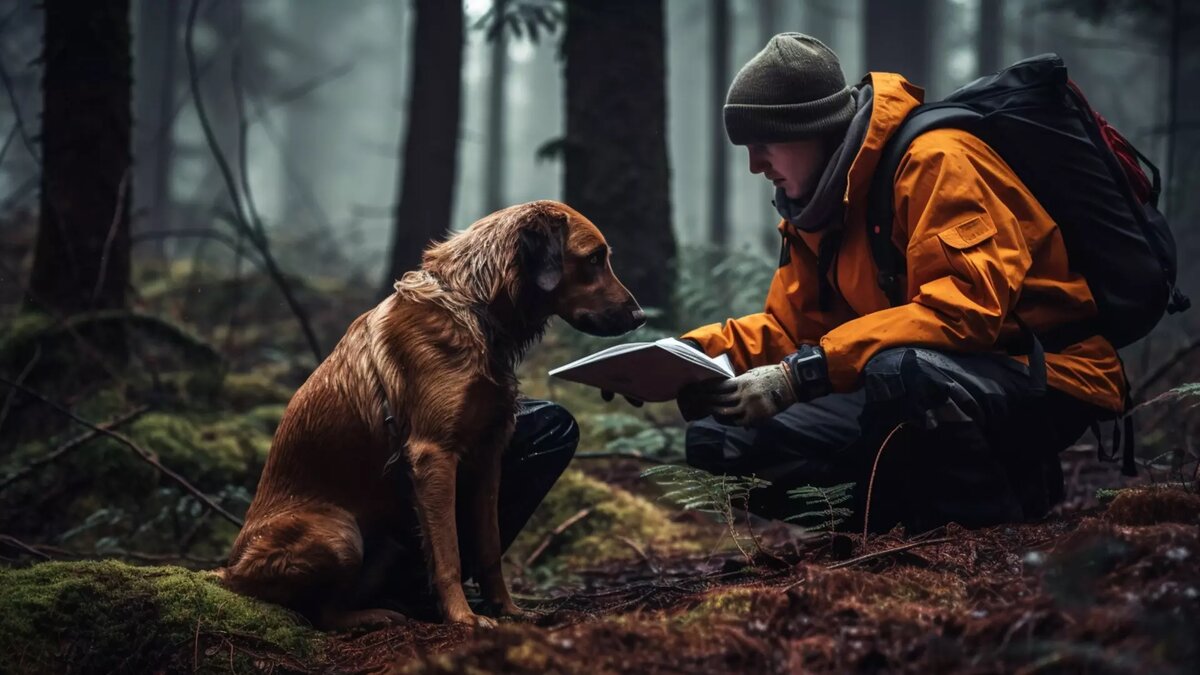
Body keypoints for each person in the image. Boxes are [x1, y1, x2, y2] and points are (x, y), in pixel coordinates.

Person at [638, 34, 1124, 533]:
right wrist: (686, 358)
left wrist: (804, 373)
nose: (755, 165)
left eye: (765, 144)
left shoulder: (935, 162)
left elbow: (965, 312)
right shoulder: (819, 209)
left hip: (1042, 374)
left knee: (902, 372)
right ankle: (898, 531)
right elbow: (793, 330)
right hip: (925, 379)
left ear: (814, 128)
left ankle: (986, 531)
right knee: (718, 438)